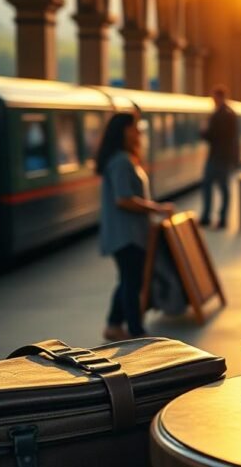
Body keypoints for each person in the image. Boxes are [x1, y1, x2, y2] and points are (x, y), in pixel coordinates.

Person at [96, 111, 174, 341]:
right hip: (125, 234)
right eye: (134, 127)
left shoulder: (123, 158)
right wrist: (157, 208)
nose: (139, 131)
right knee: (132, 281)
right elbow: (124, 199)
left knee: (128, 280)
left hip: (129, 232)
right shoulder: (121, 161)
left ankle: (114, 325)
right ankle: (135, 331)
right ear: (124, 131)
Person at [200, 85, 241, 228]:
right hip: (225, 158)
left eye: (214, 98)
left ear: (219, 97)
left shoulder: (217, 115)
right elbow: (235, 138)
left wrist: (203, 130)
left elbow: (211, 136)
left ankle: (207, 217)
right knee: (224, 189)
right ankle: (222, 219)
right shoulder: (231, 113)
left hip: (215, 158)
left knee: (208, 187)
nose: (213, 101)